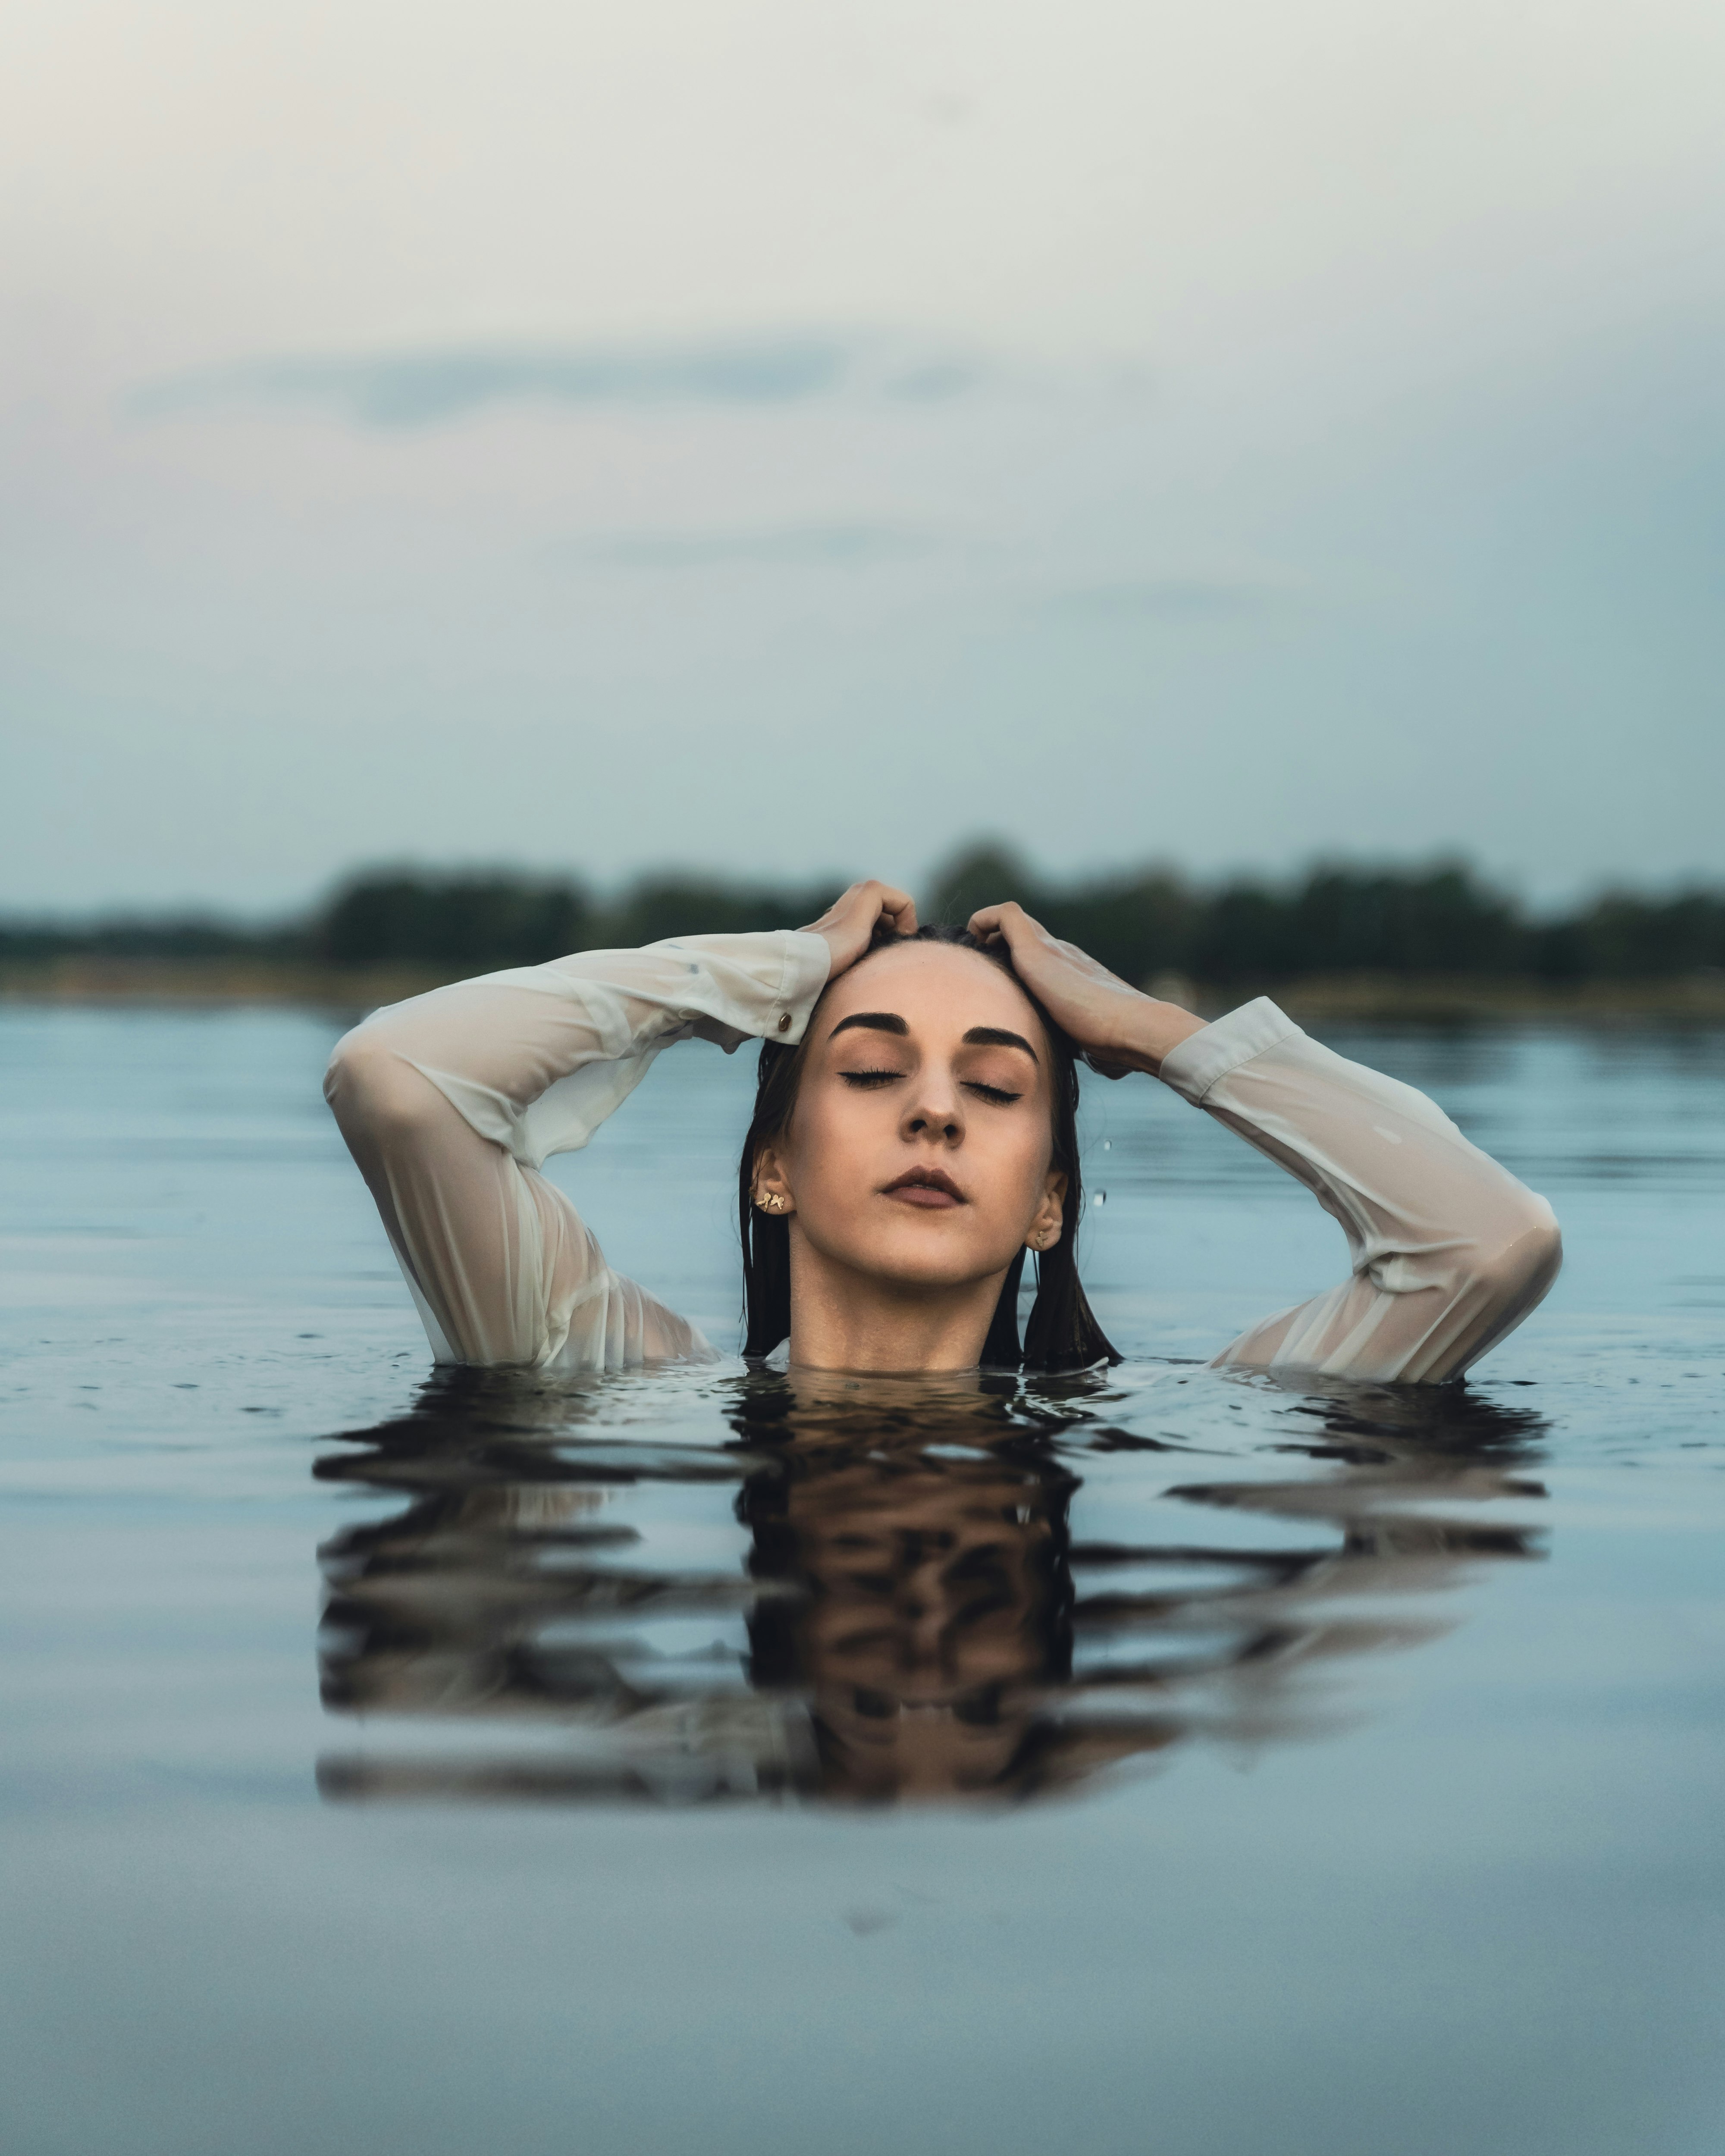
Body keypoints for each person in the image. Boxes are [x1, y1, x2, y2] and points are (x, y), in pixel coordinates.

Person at [323, 878, 1561, 1383]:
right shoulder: (607, 1371)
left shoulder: (1212, 1409)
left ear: (1050, 1203)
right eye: (868, 1073)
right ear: (772, 1170)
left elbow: (1490, 1244)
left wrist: (1147, 1029)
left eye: (998, 1087)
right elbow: (397, 1077)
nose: (932, 1109)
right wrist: (777, 970)